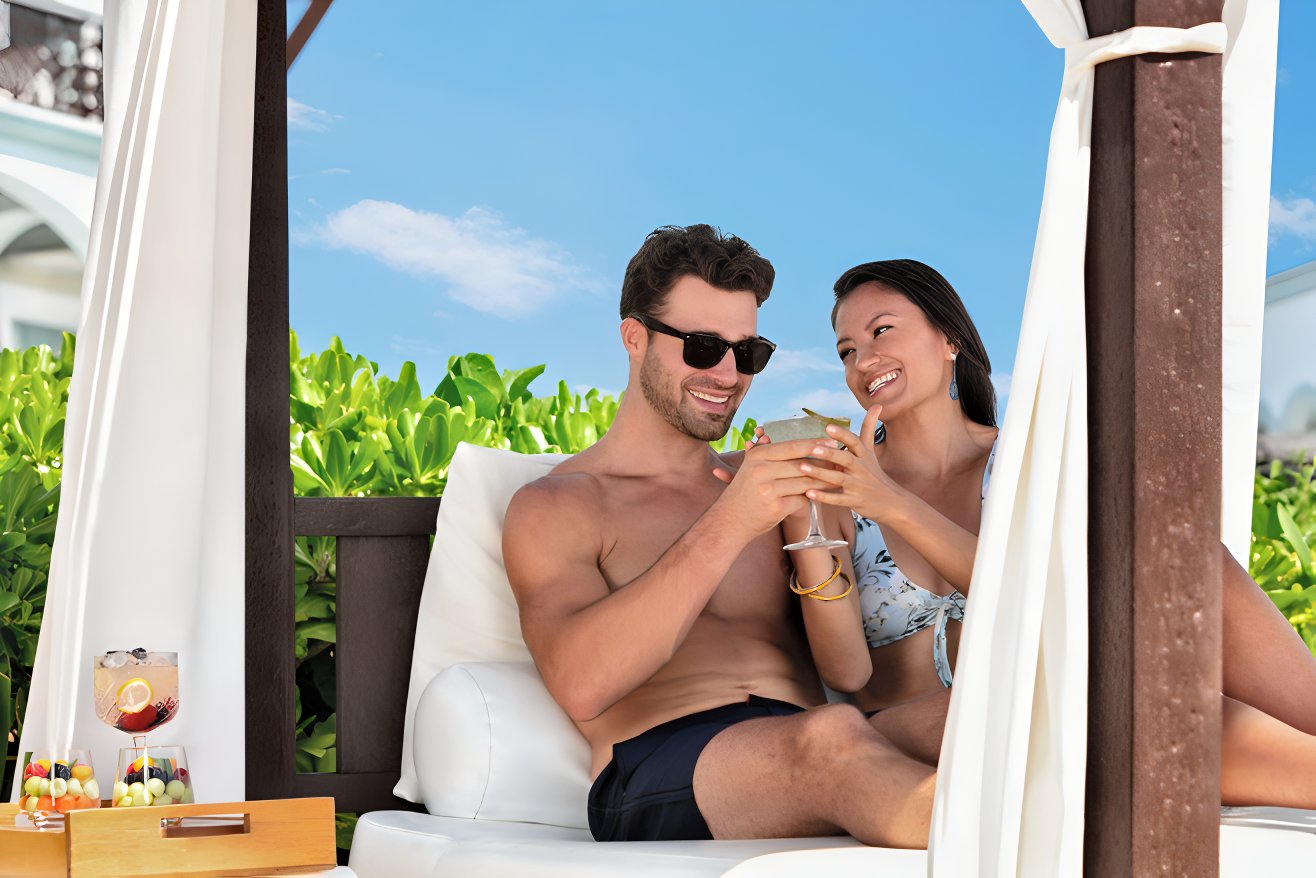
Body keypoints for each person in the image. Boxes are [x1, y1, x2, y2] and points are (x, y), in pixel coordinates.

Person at [786, 257, 1316, 808]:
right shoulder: (843, 487)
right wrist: (808, 523)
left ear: (950, 340)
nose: (864, 359)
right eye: (846, 350)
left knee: (1194, 562)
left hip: (1054, 711)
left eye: (881, 330)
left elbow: (1051, 604)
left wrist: (893, 505)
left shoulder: (1030, 460)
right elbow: (846, 670)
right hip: (920, 737)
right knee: (1102, 704)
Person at [502, 226, 946, 847]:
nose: (728, 374)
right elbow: (582, 684)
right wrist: (730, 521)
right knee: (831, 739)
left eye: (748, 353)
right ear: (635, 338)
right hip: (661, 763)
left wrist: (807, 524)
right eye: (704, 346)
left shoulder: (767, 477)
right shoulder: (560, 504)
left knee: (975, 718)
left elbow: (846, 673)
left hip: (810, 736)